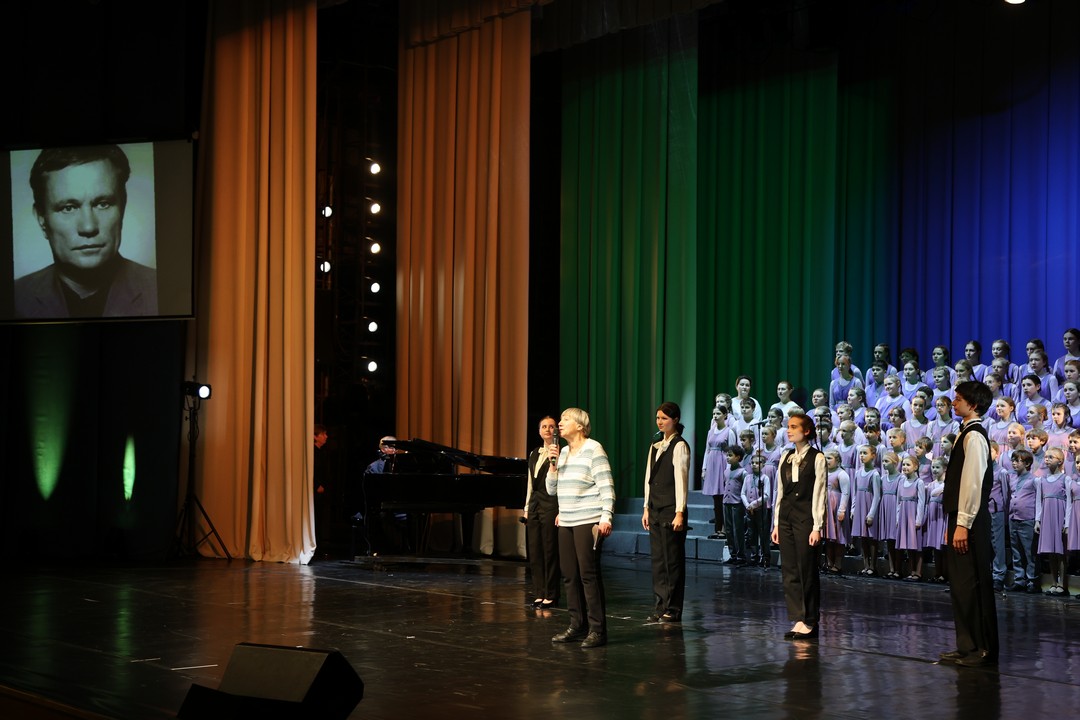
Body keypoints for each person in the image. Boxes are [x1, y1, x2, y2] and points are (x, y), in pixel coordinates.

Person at [15, 144, 157, 318]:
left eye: (103, 204)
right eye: (68, 208)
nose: (88, 227)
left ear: (123, 207)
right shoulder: (13, 298)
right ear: (41, 219)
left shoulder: (161, 289)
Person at [939, 380, 999, 667]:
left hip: (971, 520)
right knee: (961, 585)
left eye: (959, 399)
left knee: (973, 583)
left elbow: (972, 484)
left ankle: (981, 648)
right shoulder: (964, 432)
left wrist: (963, 523)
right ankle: (967, 646)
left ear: (973, 404)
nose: (954, 402)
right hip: (961, 517)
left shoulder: (974, 436)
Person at [547, 408, 615, 649]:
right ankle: (577, 625)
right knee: (569, 575)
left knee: (588, 574)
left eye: (565, 420)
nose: (559, 423)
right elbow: (552, 489)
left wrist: (606, 517)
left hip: (588, 519)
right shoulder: (563, 452)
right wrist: (553, 465)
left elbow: (606, 486)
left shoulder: (594, 449)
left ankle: (597, 630)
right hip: (566, 520)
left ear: (579, 425)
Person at [771, 414, 827, 640]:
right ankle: (798, 618)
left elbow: (819, 493)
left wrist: (817, 526)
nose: (789, 430)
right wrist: (776, 523)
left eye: (794, 427)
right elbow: (780, 492)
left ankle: (810, 619)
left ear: (806, 431)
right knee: (790, 570)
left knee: (807, 569)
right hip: (786, 518)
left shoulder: (817, 457)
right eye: (788, 426)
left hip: (805, 520)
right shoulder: (786, 456)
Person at [641, 402, 690, 622]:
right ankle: (660, 605)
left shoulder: (679, 445)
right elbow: (648, 478)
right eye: (658, 418)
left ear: (675, 420)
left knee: (672, 561)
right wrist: (646, 507)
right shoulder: (655, 445)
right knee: (658, 561)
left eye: (664, 418)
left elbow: (681, 480)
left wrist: (680, 511)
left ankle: (673, 608)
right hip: (655, 508)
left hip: (671, 509)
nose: (659, 422)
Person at [524, 417, 560, 609]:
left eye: (551, 426)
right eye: (544, 426)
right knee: (535, 550)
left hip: (551, 504)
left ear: (556, 430)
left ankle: (551, 593)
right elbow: (530, 484)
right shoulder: (534, 453)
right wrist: (526, 508)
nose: (547, 429)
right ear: (539, 431)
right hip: (535, 505)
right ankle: (539, 592)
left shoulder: (561, 452)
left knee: (550, 550)